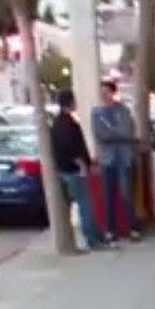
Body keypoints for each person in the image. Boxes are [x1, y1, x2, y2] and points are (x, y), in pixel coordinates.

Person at [49, 89, 102, 249]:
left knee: (72, 204)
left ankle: (86, 238)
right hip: (74, 170)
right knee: (86, 205)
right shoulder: (69, 124)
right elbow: (71, 147)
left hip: (63, 169)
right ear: (71, 102)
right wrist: (82, 165)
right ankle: (92, 239)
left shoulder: (57, 124)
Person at [92, 80, 142, 243]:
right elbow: (100, 135)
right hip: (107, 159)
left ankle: (133, 228)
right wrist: (120, 136)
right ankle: (110, 230)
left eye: (106, 92)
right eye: (101, 93)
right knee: (108, 196)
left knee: (126, 193)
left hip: (124, 157)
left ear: (113, 93)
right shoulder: (96, 113)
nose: (104, 96)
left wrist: (115, 135)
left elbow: (128, 130)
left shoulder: (123, 110)